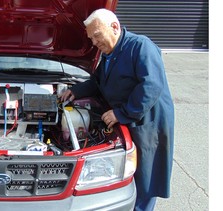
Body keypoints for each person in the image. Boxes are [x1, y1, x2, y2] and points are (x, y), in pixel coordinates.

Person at [59, 9, 175, 211]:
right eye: (91, 38)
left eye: (96, 36)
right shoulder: (109, 53)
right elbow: (97, 81)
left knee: (145, 176)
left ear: (114, 27)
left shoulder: (140, 46)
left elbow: (152, 85)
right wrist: (75, 91)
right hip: (127, 116)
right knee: (131, 171)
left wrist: (121, 113)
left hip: (147, 122)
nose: (94, 43)